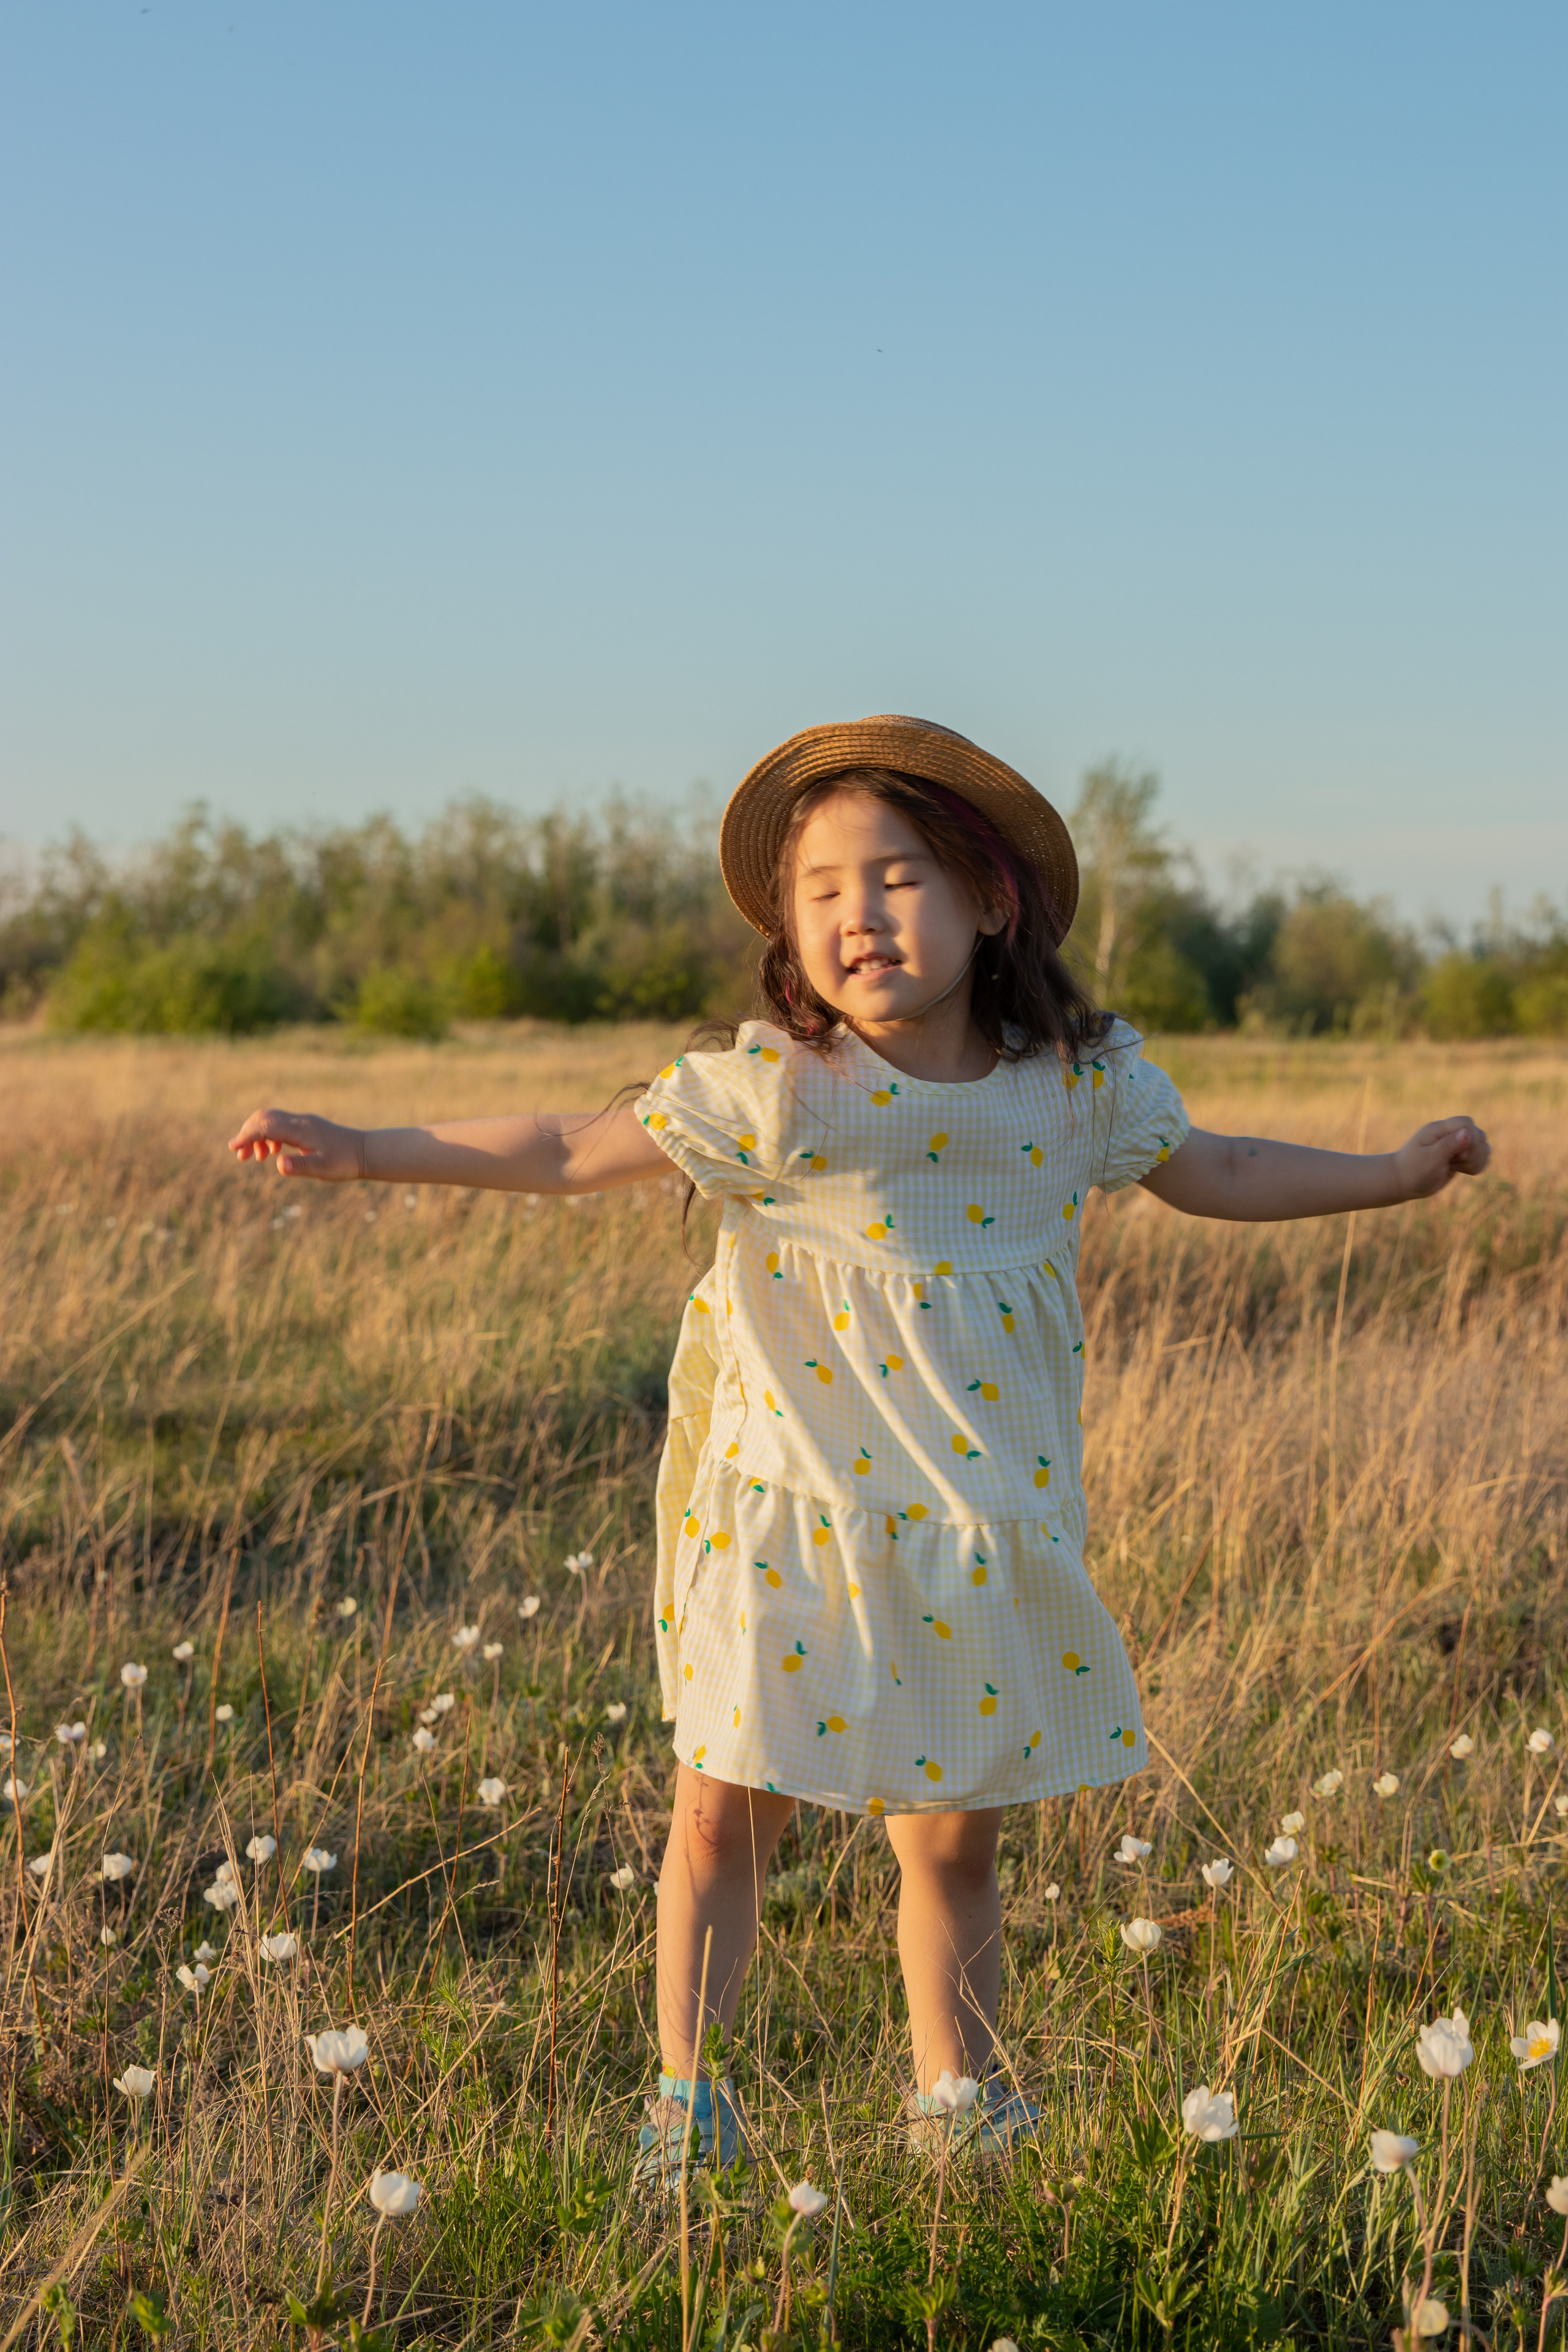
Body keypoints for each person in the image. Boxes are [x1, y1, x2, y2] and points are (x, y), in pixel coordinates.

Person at [228, 714, 1489, 2182]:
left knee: (951, 1845)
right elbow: (565, 1148)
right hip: (794, 1514)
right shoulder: (776, 1093)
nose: (854, 913)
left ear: (989, 901)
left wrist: (1393, 1176)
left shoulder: (1068, 1087)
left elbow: (1217, 1168)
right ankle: (687, 2110)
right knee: (718, 1818)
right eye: (818, 889)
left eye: (894, 878)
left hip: (973, 1522)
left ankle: (959, 2106)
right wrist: (365, 1143)